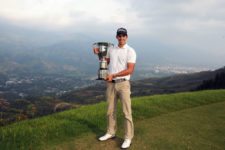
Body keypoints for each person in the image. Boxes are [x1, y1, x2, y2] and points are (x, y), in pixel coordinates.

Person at [93, 27, 136, 149]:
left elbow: (130, 69)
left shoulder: (130, 51)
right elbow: (105, 61)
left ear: (126, 37)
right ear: (116, 37)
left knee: (126, 112)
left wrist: (114, 75)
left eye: (123, 35)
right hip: (110, 84)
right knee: (110, 110)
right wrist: (99, 54)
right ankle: (111, 132)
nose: (121, 38)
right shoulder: (111, 49)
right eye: (119, 35)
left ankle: (128, 138)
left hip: (123, 84)